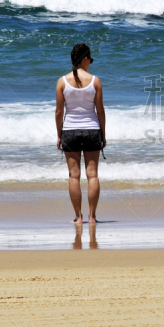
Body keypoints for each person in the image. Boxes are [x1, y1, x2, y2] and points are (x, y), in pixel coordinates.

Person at [55, 43, 106, 225]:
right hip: (92, 130)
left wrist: (59, 135)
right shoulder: (95, 81)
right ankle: (92, 217)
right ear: (85, 59)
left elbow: (59, 112)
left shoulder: (62, 82)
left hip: (70, 130)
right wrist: (103, 134)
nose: (90, 63)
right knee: (92, 175)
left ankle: (78, 217)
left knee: (73, 176)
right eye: (90, 60)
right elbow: (100, 111)